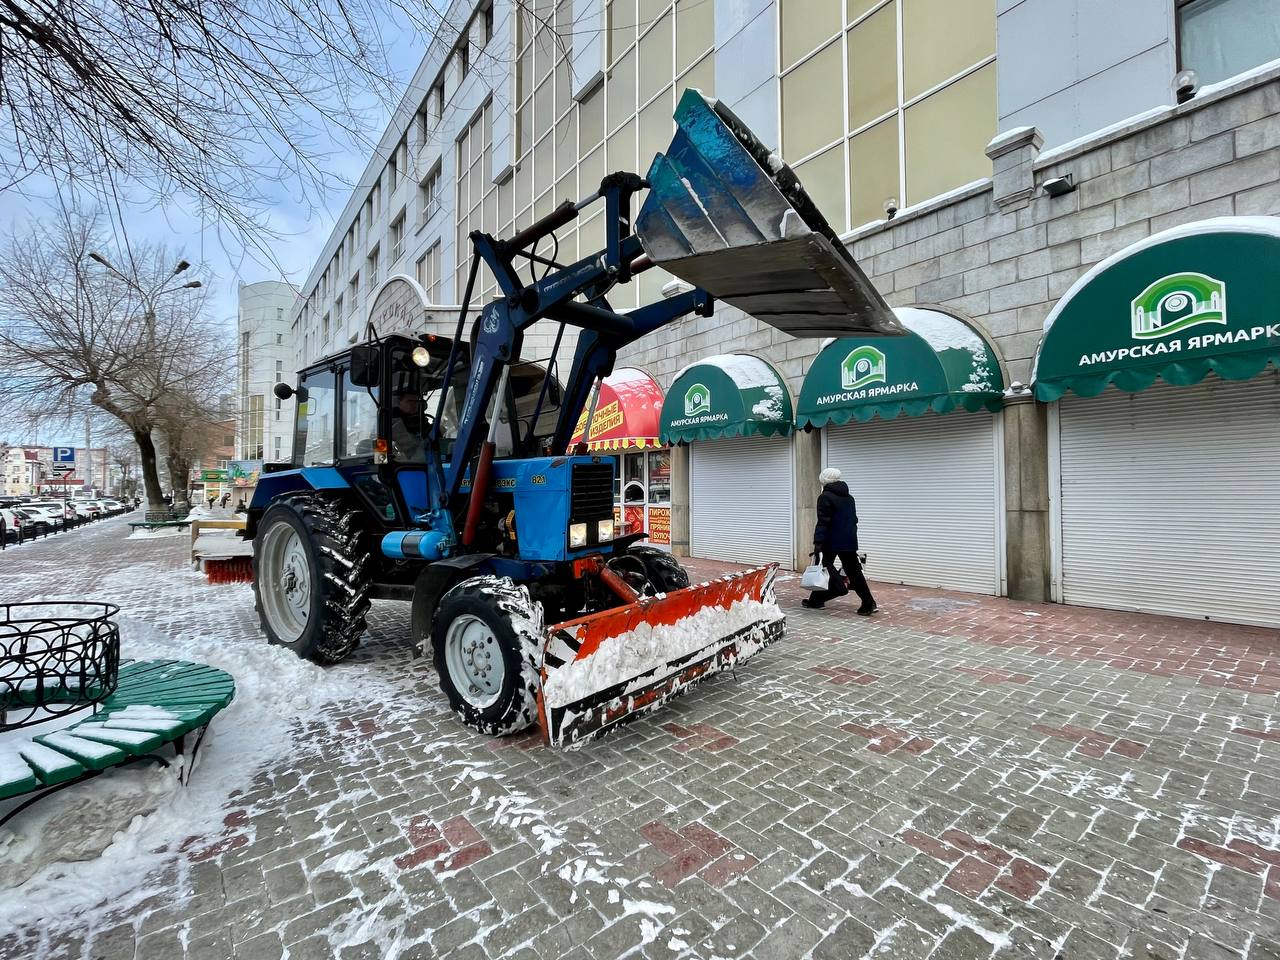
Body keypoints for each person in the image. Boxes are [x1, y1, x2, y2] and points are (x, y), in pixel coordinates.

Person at [803, 466, 877, 614]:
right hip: (849, 540)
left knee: (825, 567)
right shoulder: (849, 498)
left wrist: (818, 542)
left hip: (831, 540)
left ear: (824, 480)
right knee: (854, 571)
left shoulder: (825, 497)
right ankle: (868, 603)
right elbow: (854, 520)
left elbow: (823, 521)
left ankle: (838, 589)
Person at [391, 389, 427, 461]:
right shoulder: (388, 422)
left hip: (424, 461)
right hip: (401, 465)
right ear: (399, 403)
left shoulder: (423, 421)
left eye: (416, 401)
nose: (414, 404)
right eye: (410, 401)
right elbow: (380, 454)